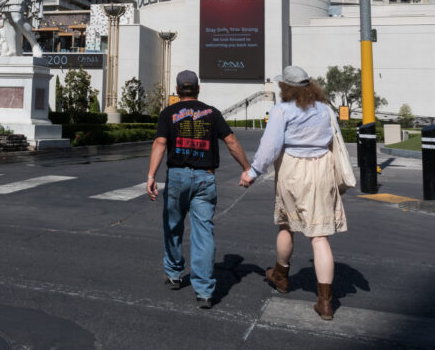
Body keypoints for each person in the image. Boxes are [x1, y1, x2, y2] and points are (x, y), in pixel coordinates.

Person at [239, 65, 347, 321]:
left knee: (286, 225)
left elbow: (270, 147)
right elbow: (336, 140)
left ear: (286, 87)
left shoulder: (282, 110)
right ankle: (325, 302)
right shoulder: (326, 110)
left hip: (293, 170)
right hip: (322, 170)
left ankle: (281, 277)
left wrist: (252, 172)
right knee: (319, 237)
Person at [146, 70, 250, 309]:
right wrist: (247, 168)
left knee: (173, 226)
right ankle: (203, 291)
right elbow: (231, 141)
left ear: (177, 89)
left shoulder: (168, 113)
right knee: (203, 233)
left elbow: (160, 143)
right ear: (198, 88)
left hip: (177, 177)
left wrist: (151, 175)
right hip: (205, 178)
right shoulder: (212, 113)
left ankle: (173, 273)